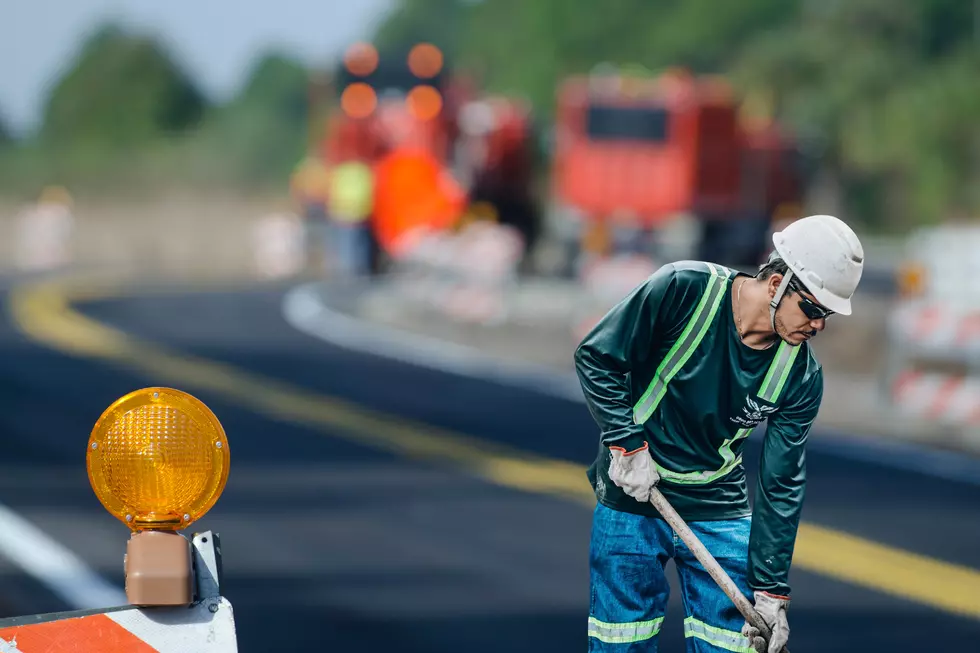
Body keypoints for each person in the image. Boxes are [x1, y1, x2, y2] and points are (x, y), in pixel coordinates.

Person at [574, 214, 864, 652]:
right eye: (813, 308)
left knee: (735, 646)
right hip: (634, 495)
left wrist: (770, 592)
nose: (818, 325)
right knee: (621, 643)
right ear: (775, 284)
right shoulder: (683, 289)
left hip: (718, 508)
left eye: (828, 315)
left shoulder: (801, 375)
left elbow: (781, 484)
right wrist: (626, 443)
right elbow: (596, 357)